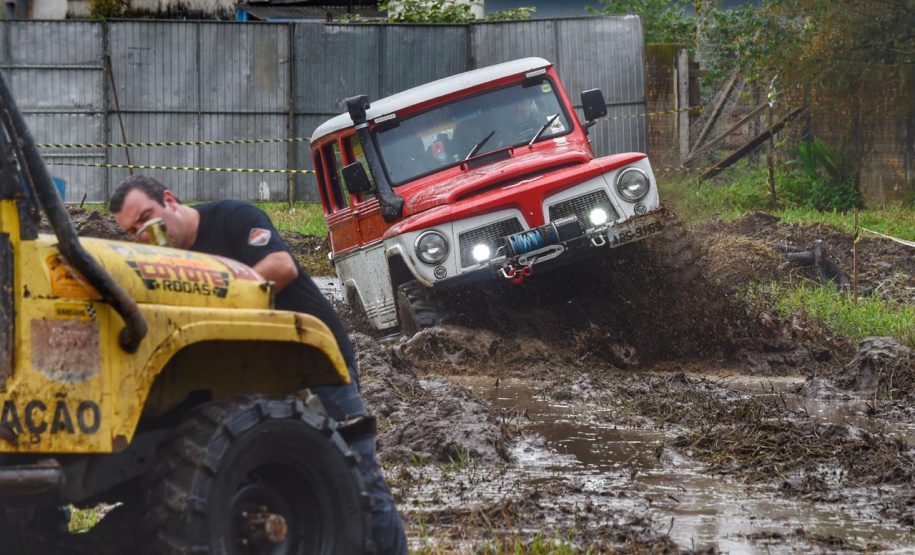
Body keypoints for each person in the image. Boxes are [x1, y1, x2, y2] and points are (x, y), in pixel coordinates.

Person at [109, 175, 407, 555]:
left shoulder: (232, 217)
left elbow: (282, 268)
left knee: (357, 471)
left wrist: (211, 296)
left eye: (146, 217)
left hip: (312, 358)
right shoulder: (165, 262)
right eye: (131, 230)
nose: (143, 233)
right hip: (249, 372)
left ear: (169, 199)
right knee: (279, 474)